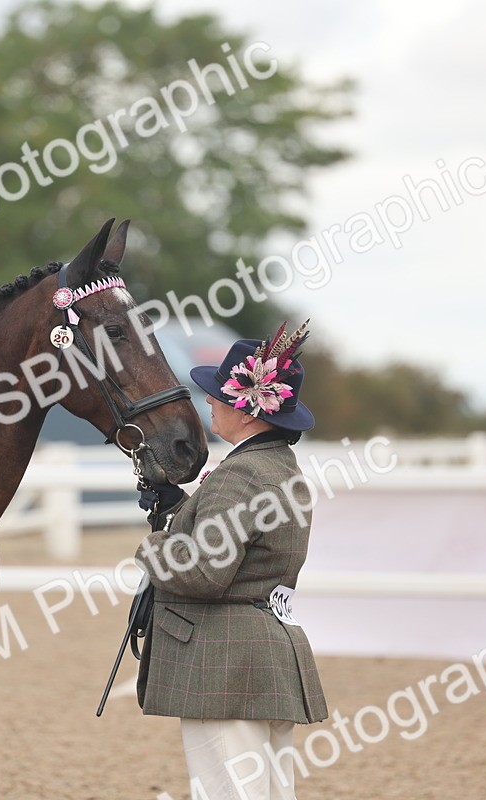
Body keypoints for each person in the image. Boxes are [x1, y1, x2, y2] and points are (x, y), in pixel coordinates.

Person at [134, 321, 327, 800]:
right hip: (264, 658)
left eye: (219, 394)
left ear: (247, 411)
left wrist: (153, 546)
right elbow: (237, 546)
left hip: (225, 666)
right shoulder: (280, 471)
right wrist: (178, 510)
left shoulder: (237, 476)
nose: (210, 402)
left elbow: (204, 571)